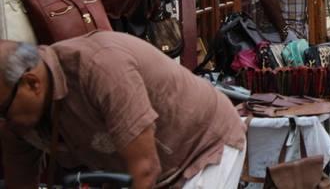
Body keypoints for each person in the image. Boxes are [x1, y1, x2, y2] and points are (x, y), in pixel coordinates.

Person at [0, 33, 246, 188]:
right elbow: (19, 183)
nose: (2, 121)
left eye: (2, 110)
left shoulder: (100, 67)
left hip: (204, 147)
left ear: (32, 84)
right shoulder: (16, 120)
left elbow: (145, 168)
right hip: (142, 169)